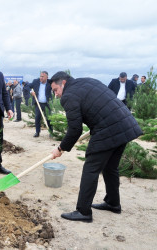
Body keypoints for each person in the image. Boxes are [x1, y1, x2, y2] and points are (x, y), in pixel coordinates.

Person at [49, 71, 142, 222]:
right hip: (125, 124)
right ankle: (113, 203)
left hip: (108, 129)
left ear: (63, 83)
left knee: (90, 169)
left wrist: (60, 149)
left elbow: (75, 129)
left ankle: (83, 211)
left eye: (56, 90)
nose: (56, 95)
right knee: (110, 167)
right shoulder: (87, 81)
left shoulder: (69, 95)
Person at [30, 71, 53, 137]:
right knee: (37, 118)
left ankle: (51, 132)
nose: (41, 78)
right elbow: (28, 86)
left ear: (47, 77)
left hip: (47, 104)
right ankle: (37, 132)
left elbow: (55, 87)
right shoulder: (35, 81)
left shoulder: (50, 82)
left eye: (42, 76)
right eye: (40, 76)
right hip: (38, 103)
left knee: (49, 118)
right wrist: (31, 91)